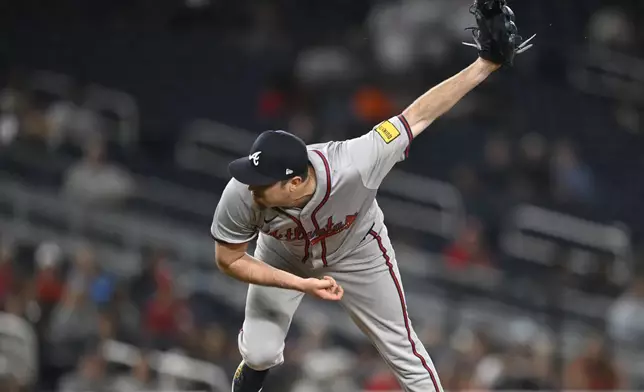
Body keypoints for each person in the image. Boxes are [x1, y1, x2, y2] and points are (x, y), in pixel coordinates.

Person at [210, 2, 534, 391]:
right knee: (260, 353)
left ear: (295, 182)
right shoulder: (242, 193)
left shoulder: (356, 162)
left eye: (264, 181)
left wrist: (484, 66)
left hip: (357, 248)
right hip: (281, 254)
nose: (253, 186)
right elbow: (228, 259)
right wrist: (300, 284)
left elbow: (419, 115)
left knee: (403, 350)